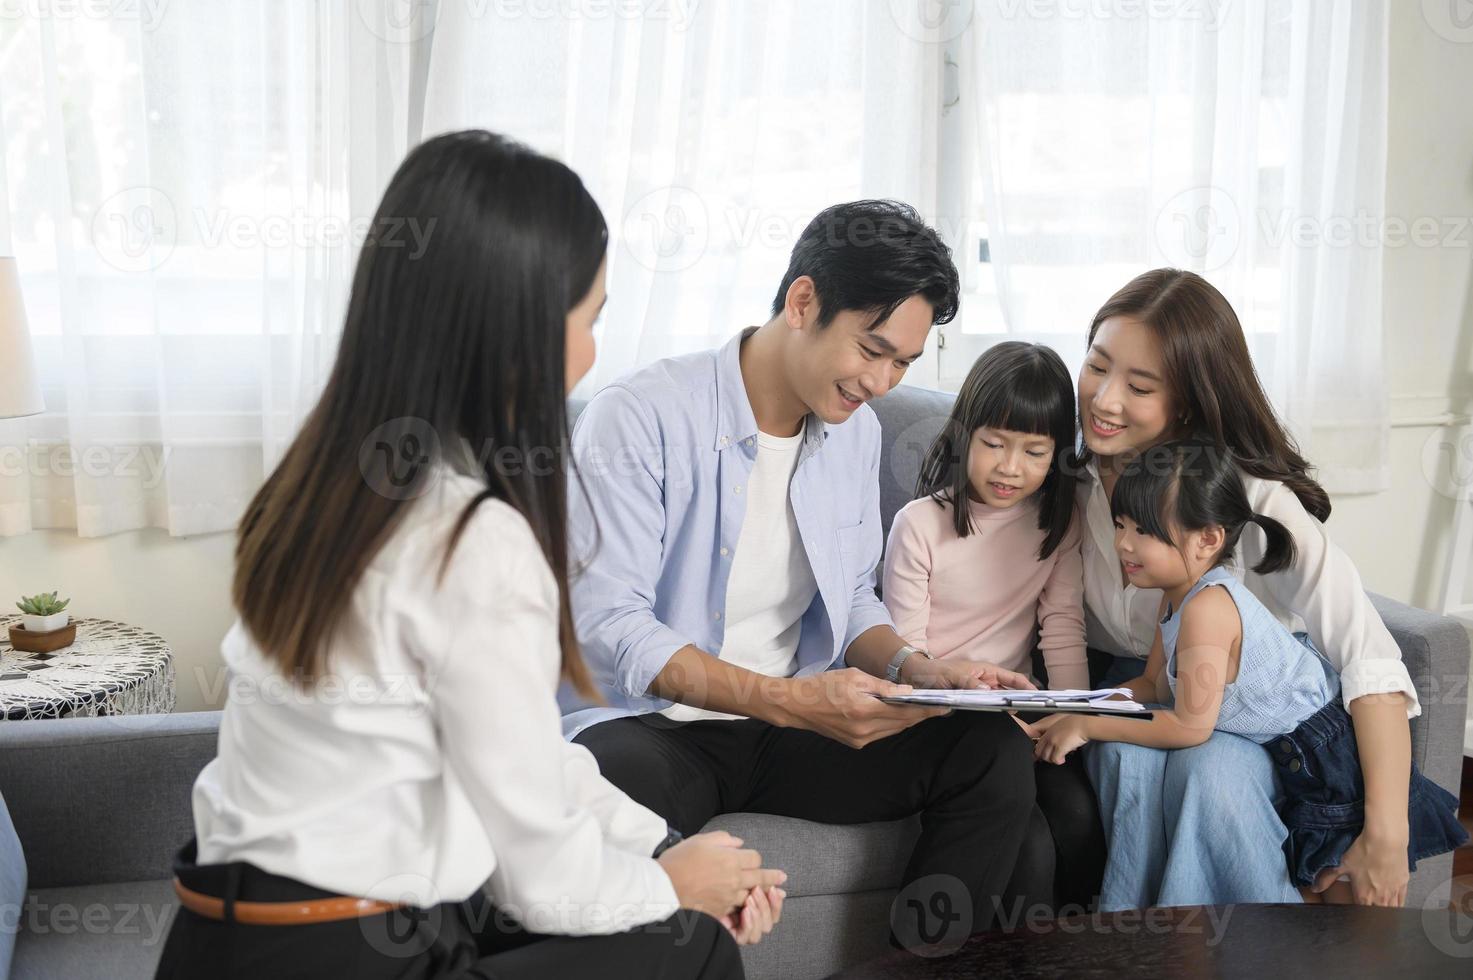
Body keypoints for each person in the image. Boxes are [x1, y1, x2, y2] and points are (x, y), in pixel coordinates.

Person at [154, 130, 783, 980]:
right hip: (347, 950)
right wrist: (671, 887)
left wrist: (665, 848)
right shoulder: (469, 537)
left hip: (219, 941)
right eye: (589, 318)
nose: (594, 352)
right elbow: (543, 882)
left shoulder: (319, 488)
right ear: (515, 330)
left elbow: (522, 750)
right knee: (689, 945)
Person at [565, 200, 1038, 951]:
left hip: (784, 729)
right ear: (802, 301)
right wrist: (787, 702)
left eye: (903, 364)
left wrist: (921, 669)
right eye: (872, 349)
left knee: (986, 748)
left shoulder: (854, 436)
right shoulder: (640, 415)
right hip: (649, 727)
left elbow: (849, 597)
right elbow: (612, 624)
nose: (881, 381)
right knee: (597, 788)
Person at [1075, 268, 1423, 908]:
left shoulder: (1250, 502)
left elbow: (1369, 659)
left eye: (1139, 386)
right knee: (1126, 760)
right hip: (1146, 689)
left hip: (1248, 716)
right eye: (1097, 366)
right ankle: (1125, 948)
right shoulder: (1063, 481)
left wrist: (1387, 835)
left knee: (1212, 775)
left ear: (1184, 402)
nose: (1104, 399)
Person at [1034, 440, 1467, 907]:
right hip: (1289, 750)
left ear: (1208, 539)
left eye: (1145, 532)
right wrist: (1074, 707)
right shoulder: (1173, 596)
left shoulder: (1208, 608)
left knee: (1344, 916)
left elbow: (1188, 726)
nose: (1123, 543)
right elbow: (1153, 686)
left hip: (1327, 761)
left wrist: (1087, 725)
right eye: (1120, 525)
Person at [882, 340, 1105, 908]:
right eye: (994, 444)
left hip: (1022, 714)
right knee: (1027, 850)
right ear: (964, 437)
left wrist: (1071, 715)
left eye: (1035, 451)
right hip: (945, 717)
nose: (1011, 468)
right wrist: (951, 687)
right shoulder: (920, 525)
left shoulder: (1058, 522)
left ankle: (1079, 958)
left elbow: (1061, 628)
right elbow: (906, 652)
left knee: (1079, 819)